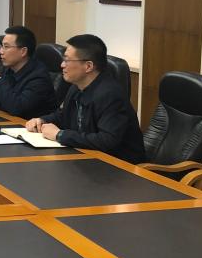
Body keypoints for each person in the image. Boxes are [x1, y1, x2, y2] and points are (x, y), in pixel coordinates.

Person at [25, 34, 146, 163]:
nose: (62, 65)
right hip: (87, 158)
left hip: (119, 166)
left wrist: (60, 135)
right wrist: (42, 120)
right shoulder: (76, 86)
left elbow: (106, 140)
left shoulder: (110, 95)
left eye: (67, 60)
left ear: (88, 66)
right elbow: (63, 115)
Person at [0, 26, 57, 119]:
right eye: (1, 46)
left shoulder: (39, 78)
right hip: (7, 120)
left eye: (6, 47)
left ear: (23, 51)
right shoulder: (9, 69)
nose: (0, 51)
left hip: (27, 125)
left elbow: (17, 108)